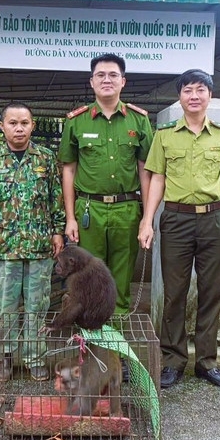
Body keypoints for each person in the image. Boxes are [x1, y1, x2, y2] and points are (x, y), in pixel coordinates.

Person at [138, 69, 220, 389]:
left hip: (215, 219)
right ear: (180, 96)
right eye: (188, 90)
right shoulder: (165, 136)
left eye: (200, 90)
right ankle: (172, 361)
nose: (194, 96)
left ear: (209, 96)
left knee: (213, 292)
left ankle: (207, 362)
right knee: (174, 293)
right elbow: (156, 179)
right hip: (175, 219)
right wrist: (148, 221)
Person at [0, 103, 65, 382]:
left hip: (39, 248)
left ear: (33, 125)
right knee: (4, 308)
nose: (19, 128)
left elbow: (55, 199)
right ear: (2, 126)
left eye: (24, 122)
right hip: (4, 248)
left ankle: (35, 358)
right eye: (13, 123)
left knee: (37, 305)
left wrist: (58, 232)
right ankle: (5, 358)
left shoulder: (45, 158)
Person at [58, 53, 154, 314]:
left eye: (113, 75)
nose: (107, 80)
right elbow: (68, 169)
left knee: (121, 281)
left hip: (127, 210)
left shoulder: (139, 120)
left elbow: (146, 169)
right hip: (90, 211)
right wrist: (70, 218)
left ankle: (115, 346)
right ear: (91, 82)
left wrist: (147, 218)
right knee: (88, 279)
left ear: (123, 81)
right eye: (100, 75)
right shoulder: (76, 121)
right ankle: (90, 346)